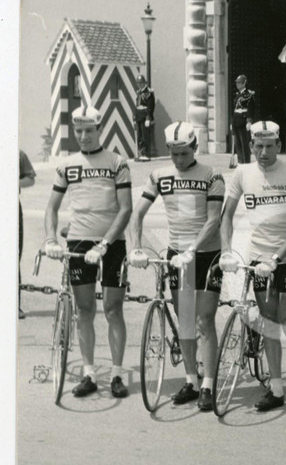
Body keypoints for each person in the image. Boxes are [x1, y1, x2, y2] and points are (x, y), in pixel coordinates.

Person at [128, 121, 224, 412]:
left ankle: (208, 384)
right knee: (185, 320)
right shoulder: (159, 175)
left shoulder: (211, 175)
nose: (179, 160)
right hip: (176, 253)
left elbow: (213, 219)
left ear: (194, 148)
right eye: (174, 154)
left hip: (205, 253)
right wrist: (134, 246)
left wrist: (192, 250)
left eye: (184, 153)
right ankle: (191, 380)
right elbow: (137, 214)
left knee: (204, 320)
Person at [219, 120, 286, 415]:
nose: (263, 152)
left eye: (270, 146)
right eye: (258, 146)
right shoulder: (242, 173)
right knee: (269, 322)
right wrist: (227, 252)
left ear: (279, 146)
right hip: (259, 260)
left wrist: (277, 259)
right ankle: (277, 388)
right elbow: (226, 216)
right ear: (252, 145)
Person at [43, 106, 132, 398]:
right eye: (78, 131)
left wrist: (104, 244)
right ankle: (90, 373)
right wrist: (51, 240)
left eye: (88, 130)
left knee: (112, 308)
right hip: (79, 243)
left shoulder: (117, 162)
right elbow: (52, 208)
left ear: (99, 130)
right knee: (84, 310)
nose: (83, 136)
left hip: (112, 243)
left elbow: (126, 209)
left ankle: (117, 374)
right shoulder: (66, 165)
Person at [19, 149, 36, 319]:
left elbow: (30, 179)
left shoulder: (18, 154)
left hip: (10, 207)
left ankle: (13, 304)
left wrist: (14, 183)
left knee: (12, 258)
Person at [231, 75, 257, 166]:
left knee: (244, 145)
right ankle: (240, 163)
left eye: (239, 83)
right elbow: (234, 109)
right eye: (237, 83)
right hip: (236, 121)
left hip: (243, 121)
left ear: (244, 83)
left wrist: (249, 121)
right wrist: (232, 122)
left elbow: (251, 108)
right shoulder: (237, 95)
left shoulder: (249, 95)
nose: (237, 84)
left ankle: (246, 163)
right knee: (238, 145)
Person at [133, 76, 155, 161]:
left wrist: (148, 118)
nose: (139, 85)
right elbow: (137, 106)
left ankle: (145, 154)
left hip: (145, 117)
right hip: (139, 117)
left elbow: (150, 106)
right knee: (139, 136)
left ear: (144, 83)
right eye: (138, 83)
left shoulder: (148, 92)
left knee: (145, 136)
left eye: (141, 83)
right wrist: (135, 118)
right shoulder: (139, 93)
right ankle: (140, 154)